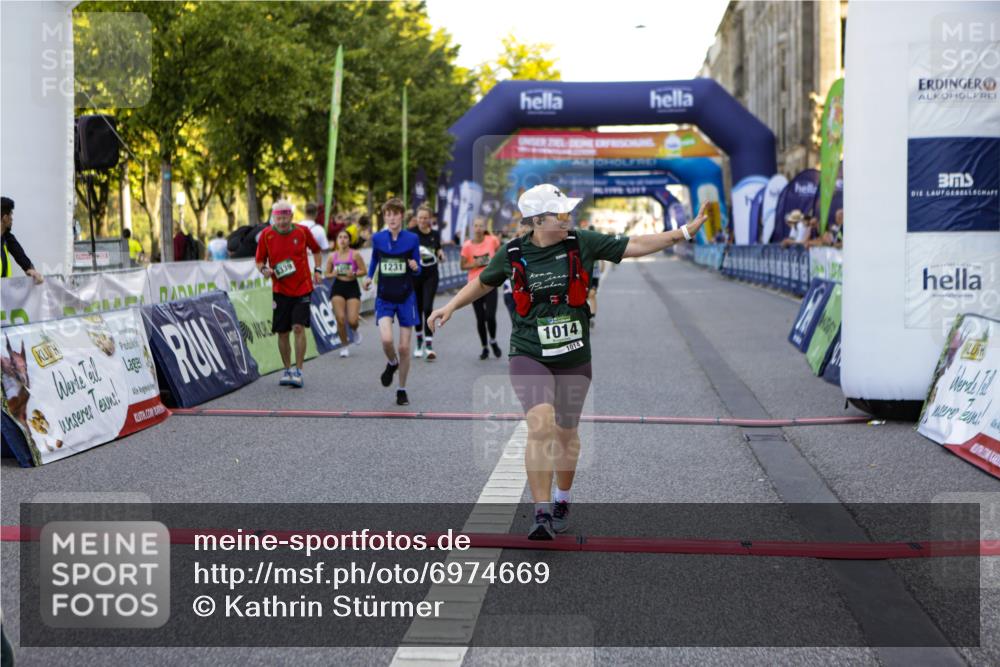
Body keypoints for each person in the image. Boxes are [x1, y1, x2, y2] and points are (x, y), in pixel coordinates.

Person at [430, 184, 708, 540]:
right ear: (538, 220)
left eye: (567, 213)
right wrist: (450, 306)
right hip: (529, 351)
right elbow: (483, 283)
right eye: (560, 214)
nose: (568, 218)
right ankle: (541, 512)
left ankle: (563, 498)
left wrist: (683, 232)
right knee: (541, 424)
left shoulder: (582, 242)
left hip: (574, 354)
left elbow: (634, 245)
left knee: (566, 432)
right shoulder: (513, 252)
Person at [255, 200, 323, 388]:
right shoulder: (266, 235)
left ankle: (299, 370)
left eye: (285, 218)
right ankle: (287, 369)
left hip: (302, 287)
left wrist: (318, 270)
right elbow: (260, 260)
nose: (282, 222)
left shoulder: (302, 231)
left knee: (298, 328)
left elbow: (316, 250)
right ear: (273, 218)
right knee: (282, 332)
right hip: (280, 290)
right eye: (278, 218)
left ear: (292, 217)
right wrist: (264, 270)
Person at [362, 198, 422, 405]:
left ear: (402, 216)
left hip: (406, 297)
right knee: (387, 340)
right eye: (388, 214)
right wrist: (369, 277)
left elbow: (419, 267)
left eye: (395, 214)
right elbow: (375, 260)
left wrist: (415, 267)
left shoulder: (412, 239)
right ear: (384, 217)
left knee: (405, 347)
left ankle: (401, 389)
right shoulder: (378, 238)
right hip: (385, 297)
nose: (391, 218)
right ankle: (391, 362)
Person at [461, 217, 502, 360]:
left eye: (481, 225)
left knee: (490, 316)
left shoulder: (492, 240)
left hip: (490, 283)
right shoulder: (467, 245)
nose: (478, 228)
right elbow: (462, 266)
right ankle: (484, 347)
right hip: (474, 286)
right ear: (473, 228)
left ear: (484, 227)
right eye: (476, 226)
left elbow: (499, 253)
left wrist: (496, 263)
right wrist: (475, 264)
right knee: (480, 318)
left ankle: (493, 340)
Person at [325, 229, 366, 358]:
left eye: (345, 237)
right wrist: (333, 274)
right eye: (340, 237)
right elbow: (327, 274)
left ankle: (355, 330)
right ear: (337, 241)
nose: (342, 240)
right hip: (338, 287)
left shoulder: (355, 255)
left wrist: (354, 273)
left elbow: (364, 271)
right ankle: (344, 346)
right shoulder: (332, 256)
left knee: (352, 320)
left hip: (352, 287)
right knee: (340, 319)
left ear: (349, 240)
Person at [412, 204, 445, 360]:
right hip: (415, 275)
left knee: (427, 307)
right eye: (420, 218)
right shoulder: (411, 234)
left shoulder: (435, 234)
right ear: (416, 219)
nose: (423, 220)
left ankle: (429, 344)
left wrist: (441, 254)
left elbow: (438, 249)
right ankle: (419, 341)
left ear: (430, 219)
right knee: (417, 309)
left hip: (431, 275)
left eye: (425, 218)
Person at [1, 197, 43, 283]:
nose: (12, 219)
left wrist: (30, 269)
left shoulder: (5, 238)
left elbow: (18, 253)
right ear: (5, 218)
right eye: (11, 215)